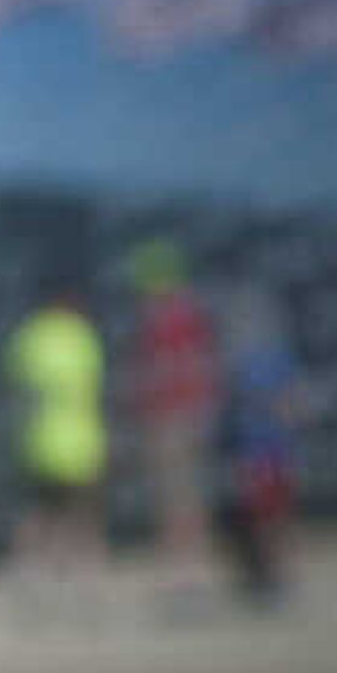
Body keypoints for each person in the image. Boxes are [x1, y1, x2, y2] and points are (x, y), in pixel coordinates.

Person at [126, 240, 222, 607]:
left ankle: (186, 579)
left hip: (174, 419)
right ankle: (189, 577)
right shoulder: (186, 316)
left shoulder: (167, 320)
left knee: (178, 501)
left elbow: (169, 372)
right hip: (185, 416)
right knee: (183, 500)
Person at [3, 282, 107, 617]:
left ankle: (29, 578)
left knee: (41, 514)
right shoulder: (82, 336)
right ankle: (86, 584)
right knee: (83, 515)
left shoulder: (31, 337)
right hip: (81, 441)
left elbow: (18, 386)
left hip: (43, 441)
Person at [213, 292, 302, 604]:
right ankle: (262, 578)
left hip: (275, 453)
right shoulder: (239, 363)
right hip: (252, 455)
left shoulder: (276, 359)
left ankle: (279, 578)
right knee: (257, 521)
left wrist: (271, 407)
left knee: (276, 520)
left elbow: (290, 405)